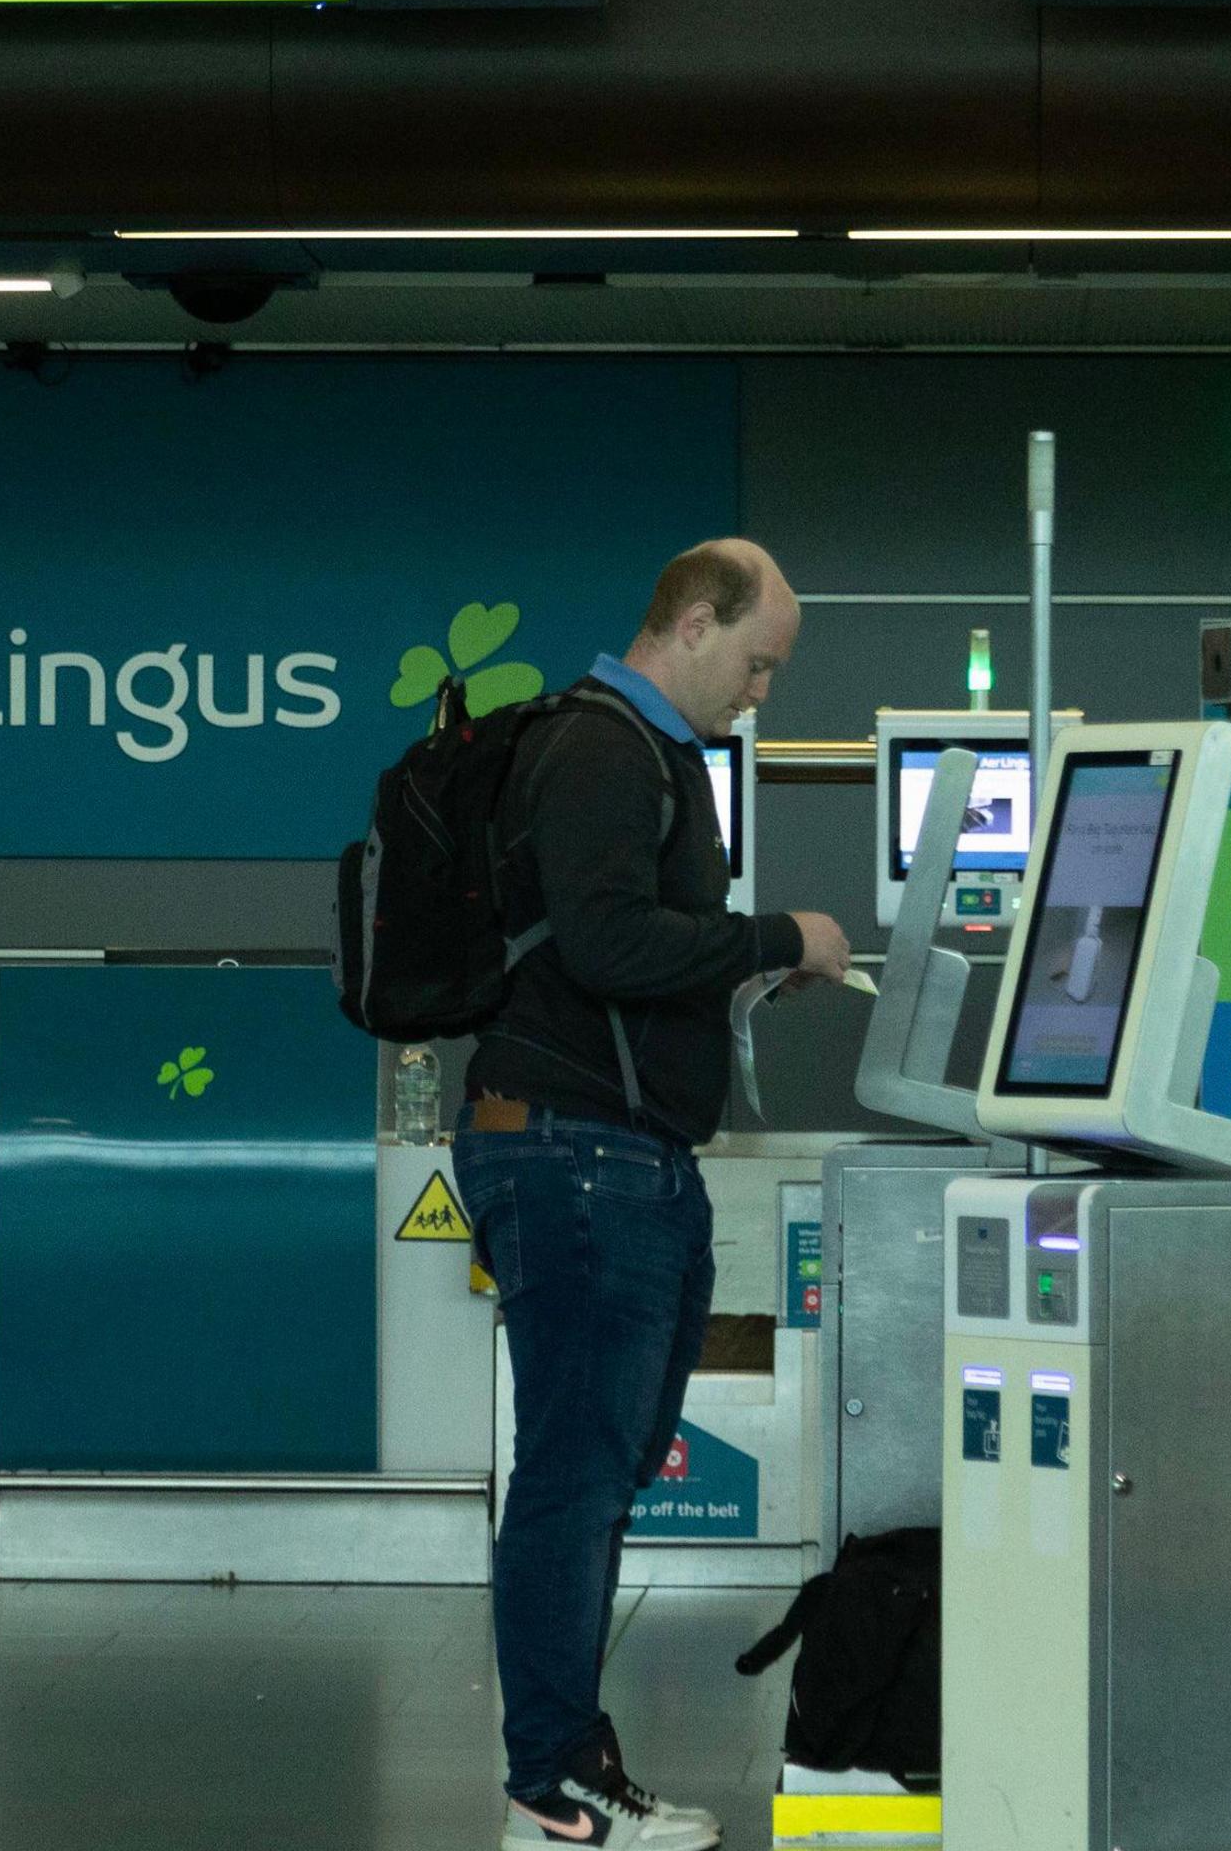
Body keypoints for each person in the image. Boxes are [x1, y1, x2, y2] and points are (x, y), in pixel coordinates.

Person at [460, 539, 853, 1851]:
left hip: (617, 1157)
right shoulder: (601, 750)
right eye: (756, 664)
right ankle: (549, 1784)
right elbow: (609, 939)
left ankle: (562, 1766)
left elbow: (622, 945)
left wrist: (744, 967)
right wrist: (775, 939)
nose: (760, 693)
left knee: (598, 1466)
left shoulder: (649, 758)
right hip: (574, 1158)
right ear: (693, 621)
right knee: (577, 1472)